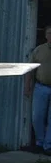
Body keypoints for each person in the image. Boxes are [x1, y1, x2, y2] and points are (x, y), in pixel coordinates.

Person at [30, 25, 51, 153]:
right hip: (41, 87)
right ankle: (39, 142)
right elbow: (30, 69)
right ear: (45, 35)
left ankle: (48, 146)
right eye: (49, 33)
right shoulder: (39, 50)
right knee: (37, 116)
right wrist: (27, 86)